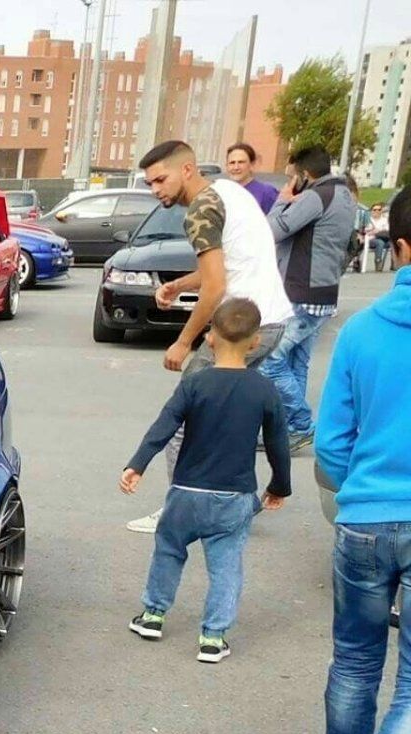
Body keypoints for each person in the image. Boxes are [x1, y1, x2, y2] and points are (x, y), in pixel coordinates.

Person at [304, 186, 411, 734]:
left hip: (365, 518)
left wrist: (360, 488)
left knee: (355, 653)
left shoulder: (366, 329)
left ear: (398, 247)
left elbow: (332, 444)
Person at [125, 139, 294, 532]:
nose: (155, 190)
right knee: (228, 414)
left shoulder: (201, 208)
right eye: (149, 183)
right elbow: (226, 264)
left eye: (160, 180)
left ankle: (180, 510)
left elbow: (216, 287)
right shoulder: (230, 191)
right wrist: (178, 284)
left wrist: (184, 342)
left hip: (242, 324)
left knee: (185, 412)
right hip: (268, 319)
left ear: (187, 169)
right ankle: (234, 502)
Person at [121, 297, 290, 662]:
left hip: (186, 492)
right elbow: (278, 443)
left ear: (210, 337)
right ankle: (212, 638)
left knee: (168, 550)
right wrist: (279, 486)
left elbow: (164, 425)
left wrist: (138, 464)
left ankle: (152, 615)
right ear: (256, 341)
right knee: (226, 565)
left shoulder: (195, 384)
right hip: (234, 495)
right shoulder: (264, 390)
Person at [261, 145, 357, 454]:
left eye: (292, 176)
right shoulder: (345, 196)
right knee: (296, 363)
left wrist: (281, 201)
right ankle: (290, 431)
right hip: (325, 291)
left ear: (305, 175)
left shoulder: (317, 196)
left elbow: (273, 230)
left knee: (270, 359)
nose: (290, 182)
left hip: (302, 292)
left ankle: (301, 423)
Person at [226, 141, 278, 213]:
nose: (236, 167)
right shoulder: (221, 193)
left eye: (241, 162)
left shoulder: (266, 192)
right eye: (232, 163)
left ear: (251, 165)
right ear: (227, 166)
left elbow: (274, 221)